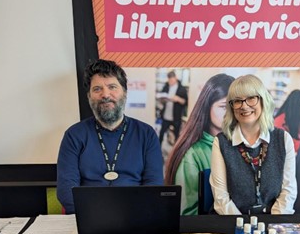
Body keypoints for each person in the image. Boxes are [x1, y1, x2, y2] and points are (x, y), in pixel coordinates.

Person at [57, 59, 163, 214]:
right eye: (97, 89)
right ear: (89, 96)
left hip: (135, 215)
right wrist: (91, 217)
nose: (105, 95)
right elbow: (66, 189)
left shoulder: (147, 134)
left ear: (125, 93)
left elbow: (154, 185)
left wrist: (137, 215)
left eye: (112, 87)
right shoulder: (74, 135)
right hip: (87, 217)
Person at [210, 74, 297, 215]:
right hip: (233, 224)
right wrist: (243, 228)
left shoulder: (283, 139)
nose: (244, 106)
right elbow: (221, 199)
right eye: (237, 101)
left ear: (263, 101)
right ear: (231, 107)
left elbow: (288, 190)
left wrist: (273, 226)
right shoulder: (221, 142)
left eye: (251, 98)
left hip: (273, 225)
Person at [164, 74, 235, 215]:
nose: (230, 114)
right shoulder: (192, 154)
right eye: (223, 107)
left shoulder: (240, 146)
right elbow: (187, 213)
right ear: (207, 107)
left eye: (234, 107)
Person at [158, 71, 188, 144]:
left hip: (176, 117)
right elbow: (161, 98)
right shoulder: (166, 86)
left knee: (177, 136)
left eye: (171, 80)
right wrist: (163, 99)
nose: (170, 82)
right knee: (161, 134)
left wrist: (178, 99)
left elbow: (185, 102)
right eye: (169, 80)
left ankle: (175, 153)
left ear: (175, 78)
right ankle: (158, 151)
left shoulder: (182, 89)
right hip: (166, 116)